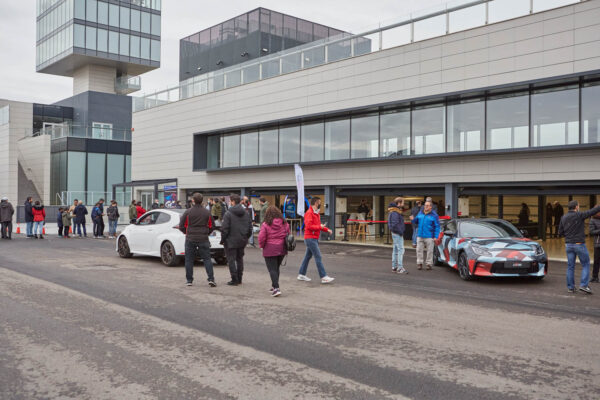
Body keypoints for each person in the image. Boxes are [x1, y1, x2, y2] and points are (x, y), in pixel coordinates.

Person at [558, 200, 600, 294]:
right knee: (586, 264)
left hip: (568, 245)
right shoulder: (579, 215)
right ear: (576, 207)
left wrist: (569, 235)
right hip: (579, 244)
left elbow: (560, 232)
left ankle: (571, 287)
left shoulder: (563, 217)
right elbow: (592, 211)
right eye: (578, 206)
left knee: (570, 266)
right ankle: (584, 285)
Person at [179, 193, 217, 287]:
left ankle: (189, 280)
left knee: (189, 259)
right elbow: (212, 226)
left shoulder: (188, 212)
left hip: (190, 237)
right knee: (207, 259)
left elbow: (181, 226)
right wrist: (206, 232)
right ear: (202, 201)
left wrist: (186, 232)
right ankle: (211, 279)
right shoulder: (207, 212)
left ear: (193, 201)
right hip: (203, 238)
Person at [297, 197, 335, 284]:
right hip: (310, 238)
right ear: (316, 203)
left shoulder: (315, 213)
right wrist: (321, 227)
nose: (320, 205)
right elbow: (309, 226)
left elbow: (318, 225)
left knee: (307, 257)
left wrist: (326, 229)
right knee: (318, 256)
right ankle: (323, 276)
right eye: (319, 203)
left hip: (312, 238)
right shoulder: (309, 213)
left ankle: (301, 274)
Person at [220, 194, 252, 286]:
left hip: (230, 241)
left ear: (233, 202)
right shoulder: (246, 213)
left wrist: (223, 239)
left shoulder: (228, 213)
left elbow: (225, 229)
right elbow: (250, 228)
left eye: (230, 201)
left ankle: (234, 279)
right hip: (242, 240)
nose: (229, 202)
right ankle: (239, 279)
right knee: (239, 259)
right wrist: (246, 237)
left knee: (231, 260)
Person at [259, 206, 290, 297]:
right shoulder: (285, 223)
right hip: (282, 249)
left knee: (272, 269)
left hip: (270, 249)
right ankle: (274, 285)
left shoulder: (265, 224)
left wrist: (261, 246)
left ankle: (276, 288)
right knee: (276, 268)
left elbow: (261, 237)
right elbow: (288, 234)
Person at [414, 200, 440, 271]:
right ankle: (419, 263)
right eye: (425, 205)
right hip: (420, 235)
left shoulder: (434, 215)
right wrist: (413, 219)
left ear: (431, 207)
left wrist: (436, 236)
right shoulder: (420, 213)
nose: (425, 206)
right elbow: (415, 221)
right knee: (419, 250)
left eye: (427, 205)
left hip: (429, 236)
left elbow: (437, 227)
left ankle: (429, 264)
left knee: (430, 251)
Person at [388, 197, 407, 274]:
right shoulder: (395, 212)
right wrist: (400, 232)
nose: (403, 204)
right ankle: (400, 268)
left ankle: (394, 267)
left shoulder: (392, 211)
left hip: (394, 233)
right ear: (399, 203)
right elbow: (395, 224)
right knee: (401, 250)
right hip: (397, 233)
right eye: (402, 202)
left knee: (395, 250)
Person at [590, 207, 600, 283]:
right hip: (598, 244)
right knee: (596, 261)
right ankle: (595, 277)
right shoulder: (592, 220)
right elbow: (592, 232)